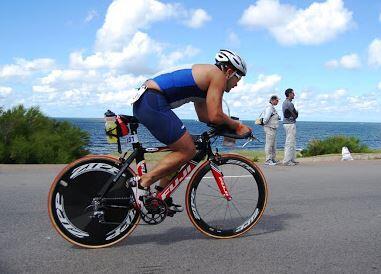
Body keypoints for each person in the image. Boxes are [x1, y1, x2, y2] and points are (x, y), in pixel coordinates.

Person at [131, 49, 252, 213]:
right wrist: (237, 126)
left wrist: (226, 125)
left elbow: (205, 116)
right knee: (187, 150)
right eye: (239, 77)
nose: (237, 83)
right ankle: (143, 182)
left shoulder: (206, 79)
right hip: (152, 100)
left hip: (147, 100)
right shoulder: (218, 75)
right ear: (230, 72)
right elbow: (216, 115)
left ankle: (161, 196)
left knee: (185, 147)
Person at [282, 88, 299, 166]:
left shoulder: (286, 103)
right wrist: (296, 114)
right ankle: (287, 161)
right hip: (290, 124)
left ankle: (291, 159)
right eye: (293, 93)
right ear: (289, 94)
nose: (294, 94)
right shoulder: (289, 103)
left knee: (291, 142)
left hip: (288, 123)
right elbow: (295, 115)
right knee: (289, 142)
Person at [263, 95, 280, 165]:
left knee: (273, 144)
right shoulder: (269, 107)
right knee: (269, 144)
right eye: (277, 100)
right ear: (273, 100)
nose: (278, 102)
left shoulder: (272, 107)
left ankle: (272, 159)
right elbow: (266, 118)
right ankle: (268, 160)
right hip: (269, 128)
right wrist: (265, 123)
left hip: (272, 128)